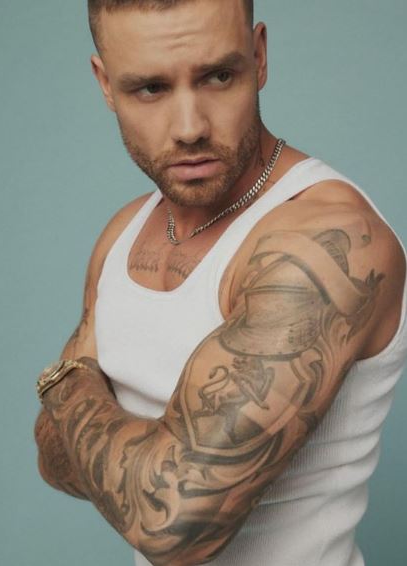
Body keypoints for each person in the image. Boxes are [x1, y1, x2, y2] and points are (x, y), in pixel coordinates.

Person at [33, 1, 407, 565]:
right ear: (106, 84)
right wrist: (133, 456)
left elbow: (174, 525)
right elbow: (52, 459)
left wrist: (65, 381)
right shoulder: (123, 234)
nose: (190, 128)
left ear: (258, 57)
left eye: (218, 76)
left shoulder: (327, 240)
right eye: (150, 88)